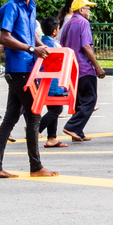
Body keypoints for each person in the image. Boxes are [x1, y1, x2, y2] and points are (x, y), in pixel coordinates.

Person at [0, 0, 57, 179]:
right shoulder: (11, 7)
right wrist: (31, 49)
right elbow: (4, 38)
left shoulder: (32, 6)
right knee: (34, 115)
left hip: (28, 67)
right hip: (18, 69)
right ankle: (35, 166)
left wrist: (41, 47)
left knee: (10, 118)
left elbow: (30, 35)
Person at [60, 0, 105, 143]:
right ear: (81, 10)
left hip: (72, 68)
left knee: (80, 100)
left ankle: (78, 131)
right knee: (90, 100)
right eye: (88, 8)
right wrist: (97, 66)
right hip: (84, 67)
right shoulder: (83, 22)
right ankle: (72, 126)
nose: (89, 11)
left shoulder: (67, 25)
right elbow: (86, 46)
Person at [37, 16, 68, 149]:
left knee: (52, 109)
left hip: (44, 81)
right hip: (54, 82)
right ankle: (35, 129)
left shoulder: (40, 42)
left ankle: (52, 138)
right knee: (57, 109)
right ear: (55, 31)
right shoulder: (55, 45)